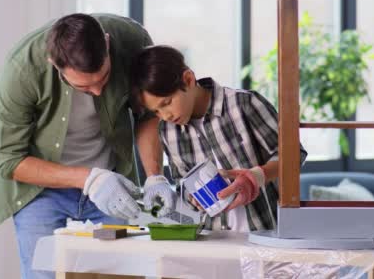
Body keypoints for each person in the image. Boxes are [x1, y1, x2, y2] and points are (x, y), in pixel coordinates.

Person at [0, 13, 176, 278]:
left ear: (107, 44)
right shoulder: (21, 71)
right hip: (39, 192)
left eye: (104, 78)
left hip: (113, 184)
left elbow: (147, 115)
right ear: (54, 64)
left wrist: (155, 177)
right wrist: (91, 179)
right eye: (85, 87)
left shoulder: (133, 42)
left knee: (120, 273)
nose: (98, 91)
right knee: (45, 274)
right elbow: (10, 160)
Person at [129, 45, 307, 232]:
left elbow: (294, 154)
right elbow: (184, 186)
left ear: (188, 80)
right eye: (156, 111)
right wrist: (189, 199)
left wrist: (256, 177)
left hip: (265, 235)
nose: (165, 115)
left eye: (166, 103)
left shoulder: (244, 104)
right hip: (212, 243)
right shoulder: (167, 131)